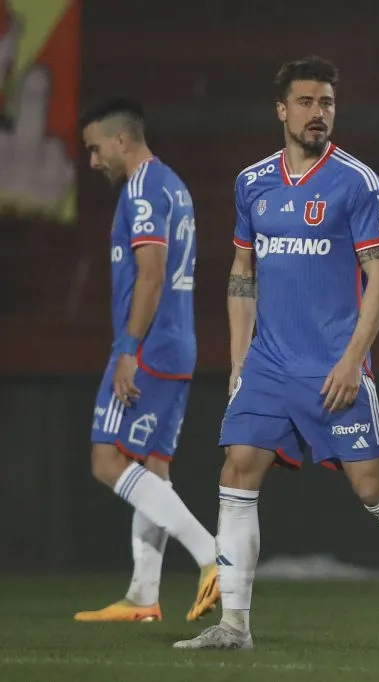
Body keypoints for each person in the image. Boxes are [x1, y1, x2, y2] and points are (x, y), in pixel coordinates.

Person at [173, 56, 379, 653]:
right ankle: (235, 625)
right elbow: (241, 270)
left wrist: (353, 360)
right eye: (307, 102)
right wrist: (238, 361)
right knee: (237, 472)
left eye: (327, 103)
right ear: (282, 110)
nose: (318, 114)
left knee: (373, 491)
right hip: (268, 363)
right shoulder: (251, 183)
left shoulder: (357, 183)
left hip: (335, 364)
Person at [74, 98, 219, 623]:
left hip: (151, 347)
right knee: (154, 468)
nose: (93, 162)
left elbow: (152, 274)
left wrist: (128, 350)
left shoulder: (141, 190)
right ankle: (143, 596)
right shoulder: (173, 185)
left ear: (120, 140)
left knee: (107, 459)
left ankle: (212, 556)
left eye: (95, 149)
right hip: (179, 345)